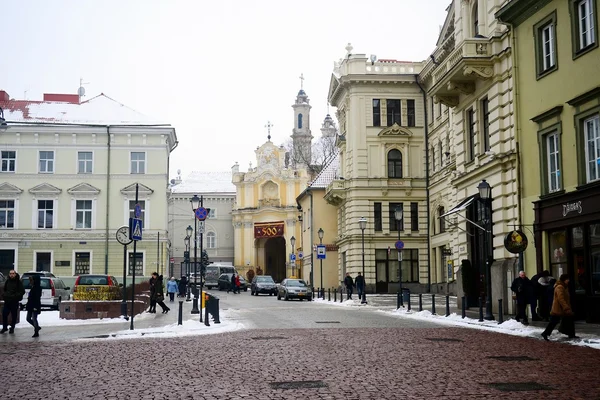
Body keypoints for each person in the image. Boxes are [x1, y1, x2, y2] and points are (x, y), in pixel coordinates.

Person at [541, 274, 578, 341]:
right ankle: (545, 333)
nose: (568, 281)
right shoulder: (560, 287)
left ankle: (571, 334)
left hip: (562, 307)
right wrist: (566, 307)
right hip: (559, 308)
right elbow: (561, 299)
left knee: (569, 319)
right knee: (553, 322)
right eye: (567, 279)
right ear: (564, 280)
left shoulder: (564, 286)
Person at [1, 270, 25, 334]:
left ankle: (12, 327)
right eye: (10, 273)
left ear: (15, 274)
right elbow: (4, 289)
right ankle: (4, 327)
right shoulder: (7, 281)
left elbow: (22, 291)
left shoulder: (18, 282)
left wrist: (15, 296)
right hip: (7, 301)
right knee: (4, 314)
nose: (11, 275)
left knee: (14, 315)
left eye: (13, 273)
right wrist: (5, 295)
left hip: (14, 301)